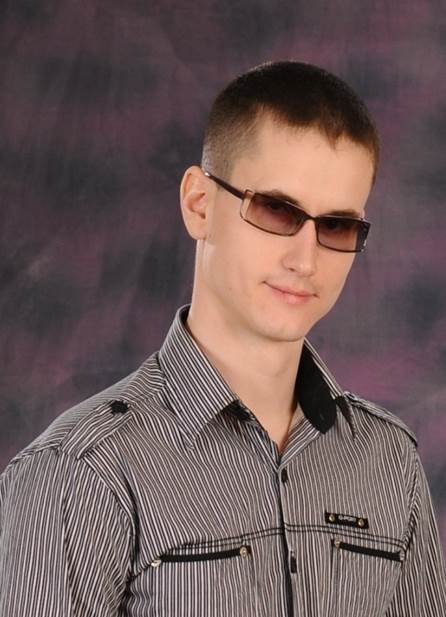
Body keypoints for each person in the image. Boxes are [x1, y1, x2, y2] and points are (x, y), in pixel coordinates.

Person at [0, 61, 444, 617]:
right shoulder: (80, 473)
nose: (305, 260)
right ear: (199, 204)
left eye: (336, 225)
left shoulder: (389, 462)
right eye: (276, 210)